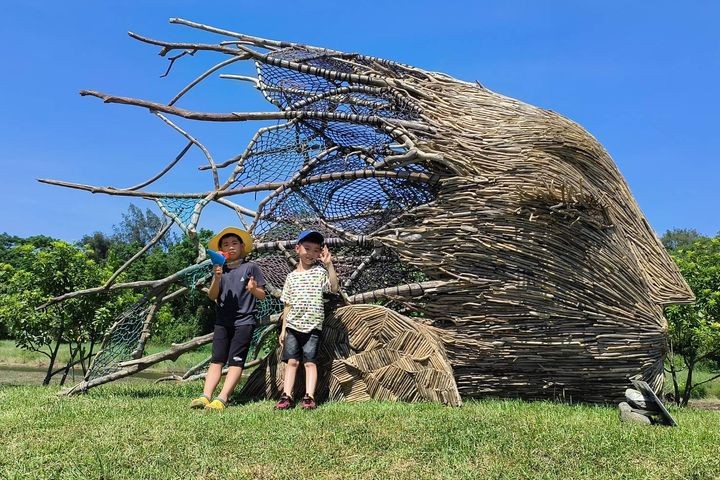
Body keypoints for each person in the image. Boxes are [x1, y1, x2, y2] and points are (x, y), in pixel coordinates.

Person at [190, 227, 266, 411]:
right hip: (223, 321)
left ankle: (222, 398)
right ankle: (205, 396)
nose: (230, 247)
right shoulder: (220, 269)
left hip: (244, 321)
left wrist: (253, 289)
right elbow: (212, 296)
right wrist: (216, 278)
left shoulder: (251, 267)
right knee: (216, 359)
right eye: (225, 244)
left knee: (236, 361)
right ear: (220, 250)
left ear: (242, 246)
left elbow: (262, 295)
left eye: (234, 243)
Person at [275, 230, 339, 410]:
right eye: (307, 248)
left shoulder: (320, 272)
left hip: (313, 326)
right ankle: (286, 395)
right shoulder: (291, 277)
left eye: (316, 250)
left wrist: (329, 265)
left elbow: (334, 289)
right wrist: (283, 329)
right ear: (297, 249)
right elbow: (287, 305)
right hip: (293, 326)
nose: (311, 254)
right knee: (291, 362)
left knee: (310, 362)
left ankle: (309, 397)